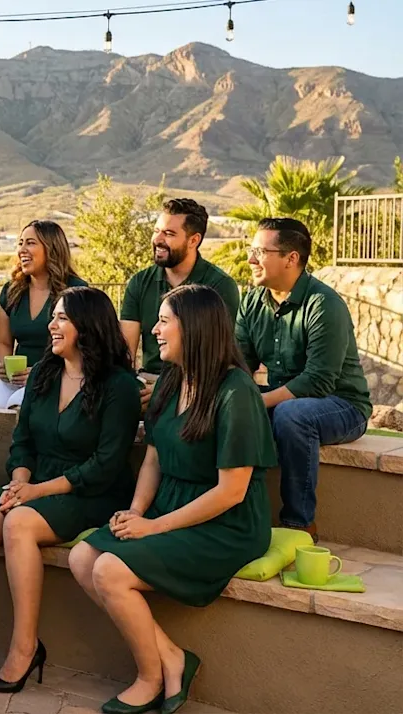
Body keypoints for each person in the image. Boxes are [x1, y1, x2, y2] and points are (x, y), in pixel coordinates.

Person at [70, 284, 275, 714]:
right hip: (167, 507)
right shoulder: (171, 379)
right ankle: (171, 657)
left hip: (225, 523)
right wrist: (137, 510)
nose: (155, 330)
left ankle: (150, 677)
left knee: (109, 570)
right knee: (82, 558)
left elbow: (231, 491)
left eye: (164, 321)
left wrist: (153, 526)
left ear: (195, 327)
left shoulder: (236, 393)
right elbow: (153, 459)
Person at [0, 286, 141, 694]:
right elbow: (22, 442)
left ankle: (24, 647)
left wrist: (34, 493)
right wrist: (20, 480)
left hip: (92, 492)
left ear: (87, 326)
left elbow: (105, 465)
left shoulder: (119, 386)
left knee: (17, 523)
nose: (50, 326)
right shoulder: (43, 373)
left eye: (60, 319)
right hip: (36, 486)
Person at [236, 218, 371, 540]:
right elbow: (237, 365)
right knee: (225, 403)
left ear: (291, 258)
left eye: (260, 251)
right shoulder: (253, 301)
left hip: (341, 405)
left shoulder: (324, 304)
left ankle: (300, 525)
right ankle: (235, 520)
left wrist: (255, 401)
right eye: (250, 249)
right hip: (284, 398)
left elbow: (318, 382)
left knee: (291, 415)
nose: (250, 259)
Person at [120, 198, 240, 408]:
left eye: (169, 234)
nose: (158, 239)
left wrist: (166, 388)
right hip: (147, 381)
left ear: (194, 240)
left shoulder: (220, 285)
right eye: (157, 230)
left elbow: (218, 357)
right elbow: (124, 354)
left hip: (200, 385)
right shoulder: (140, 282)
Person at [0, 220, 88, 409]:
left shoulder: (76, 291)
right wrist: (5, 369)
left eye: (31, 243)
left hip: (59, 378)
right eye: (20, 243)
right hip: (16, 381)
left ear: (51, 248)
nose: (22, 250)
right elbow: (3, 342)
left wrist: (38, 373)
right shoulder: (11, 291)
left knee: (18, 407)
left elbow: (84, 347)